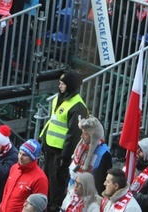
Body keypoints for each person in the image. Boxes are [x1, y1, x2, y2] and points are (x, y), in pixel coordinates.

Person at [40, 71, 88, 211]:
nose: (59, 86)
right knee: (47, 183)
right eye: (59, 83)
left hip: (60, 154)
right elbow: (52, 120)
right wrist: (42, 138)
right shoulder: (59, 99)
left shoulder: (78, 106)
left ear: (70, 85)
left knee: (56, 188)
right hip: (50, 149)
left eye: (63, 84)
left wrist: (65, 158)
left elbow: (73, 135)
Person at [0, 140, 49, 212]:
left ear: (32, 157)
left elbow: (40, 206)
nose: (20, 157)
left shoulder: (40, 179)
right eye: (19, 153)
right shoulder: (14, 168)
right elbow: (6, 191)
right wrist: (1, 207)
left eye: (24, 155)